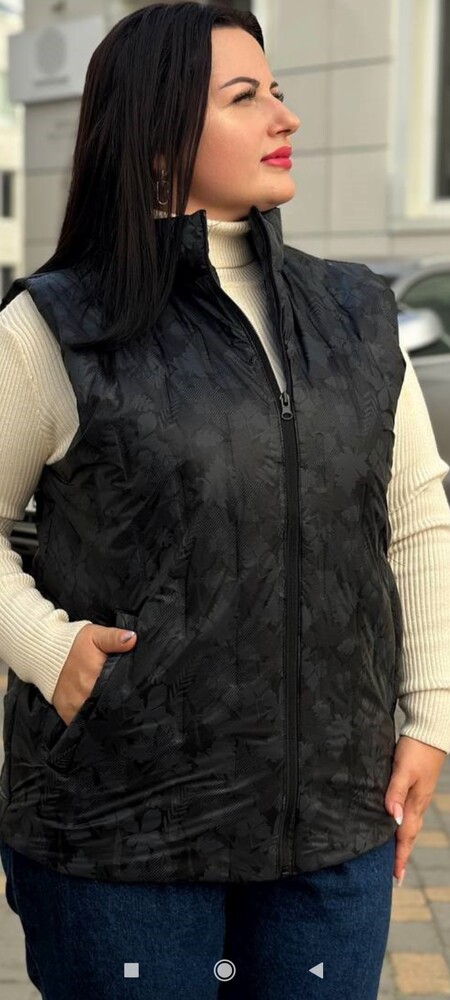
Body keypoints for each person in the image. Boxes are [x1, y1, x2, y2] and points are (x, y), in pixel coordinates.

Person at [0, 3, 449, 998]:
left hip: (329, 828)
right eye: (245, 97)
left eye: (276, 90)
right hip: (120, 835)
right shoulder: (55, 324)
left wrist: (431, 718)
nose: (286, 116)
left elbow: (416, 516)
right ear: (155, 135)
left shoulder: (354, 315)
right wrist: (45, 646)